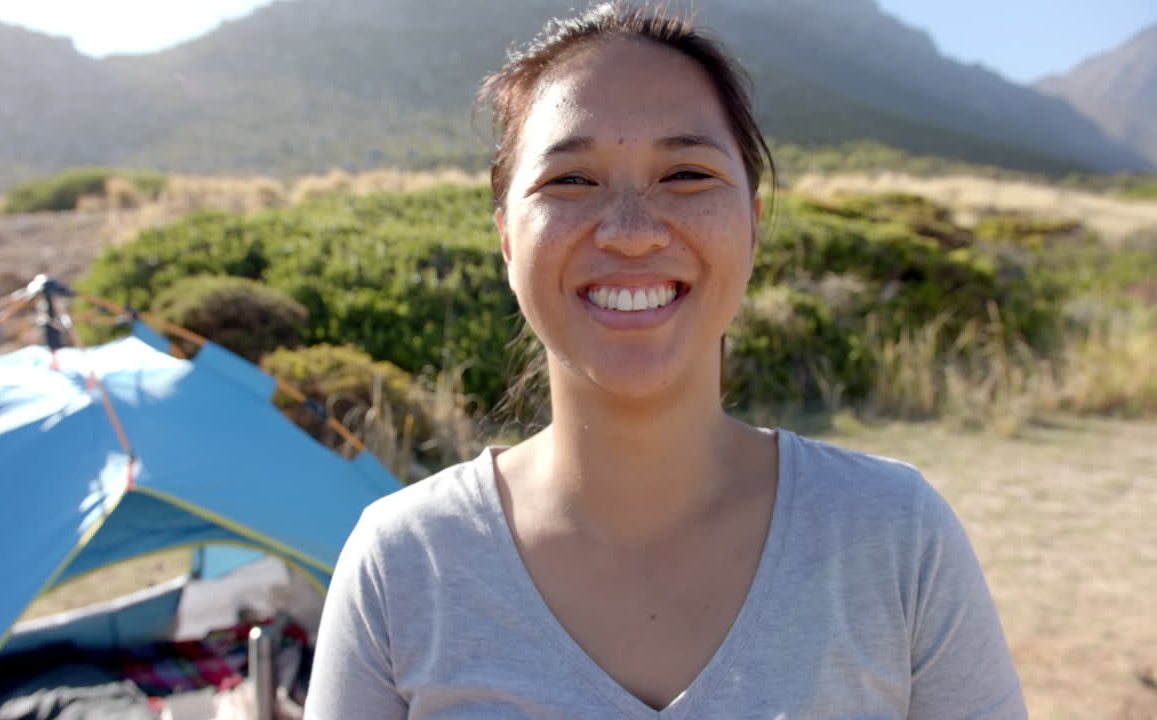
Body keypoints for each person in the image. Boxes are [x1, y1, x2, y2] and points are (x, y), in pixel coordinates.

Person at [304, 3, 1027, 718]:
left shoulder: (896, 537)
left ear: (752, 222)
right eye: (572, 181)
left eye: (686, 175)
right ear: (505, 239)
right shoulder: (402, 564)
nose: (631, 232)